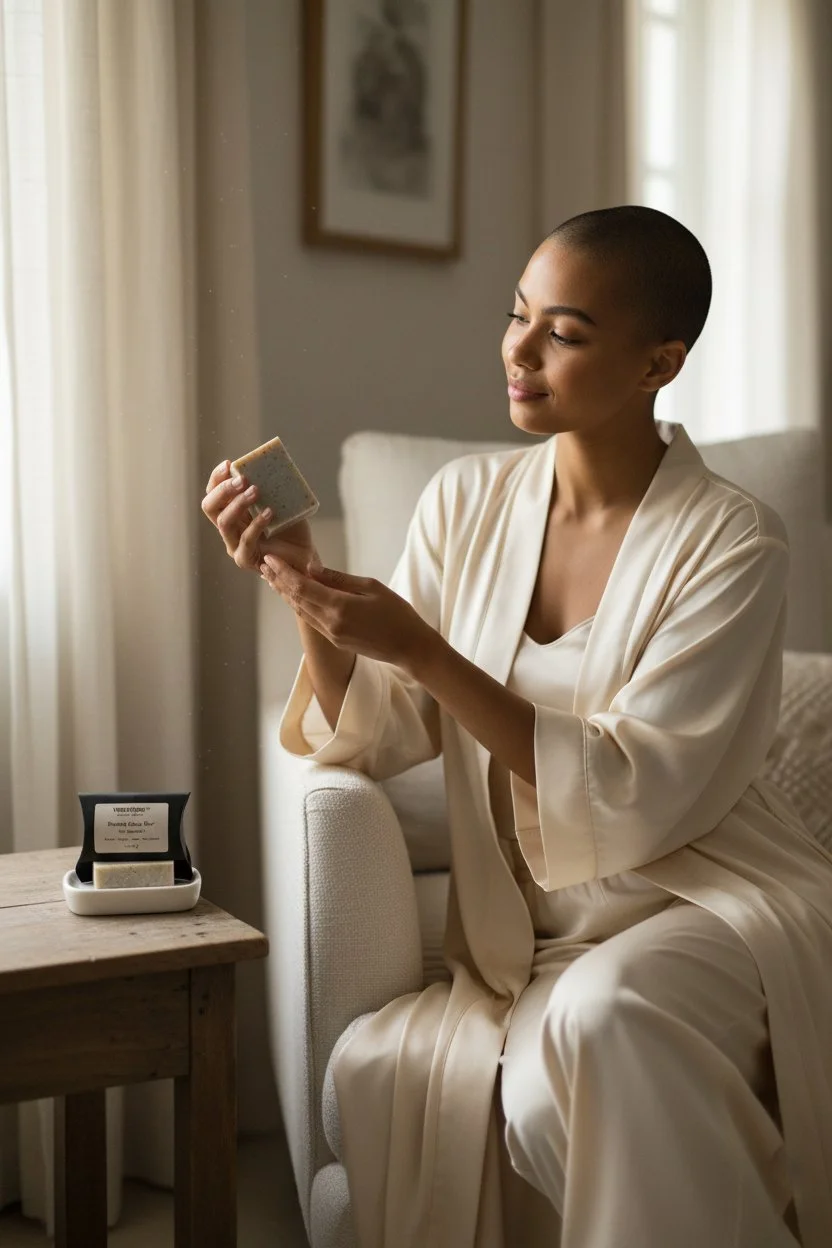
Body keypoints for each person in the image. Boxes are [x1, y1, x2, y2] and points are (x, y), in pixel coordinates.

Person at [201, 206, 832, 1248]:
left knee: (600, 1021)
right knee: (545, 1092)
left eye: (565, 333)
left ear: (656, 363)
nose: (518, 349)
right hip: (529, 932)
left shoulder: (734, 542)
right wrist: (305, 589)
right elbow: (387, 728)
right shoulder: (464, 503)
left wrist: (425, 650)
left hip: (704, 898)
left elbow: (637, 789)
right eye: (516, 314)